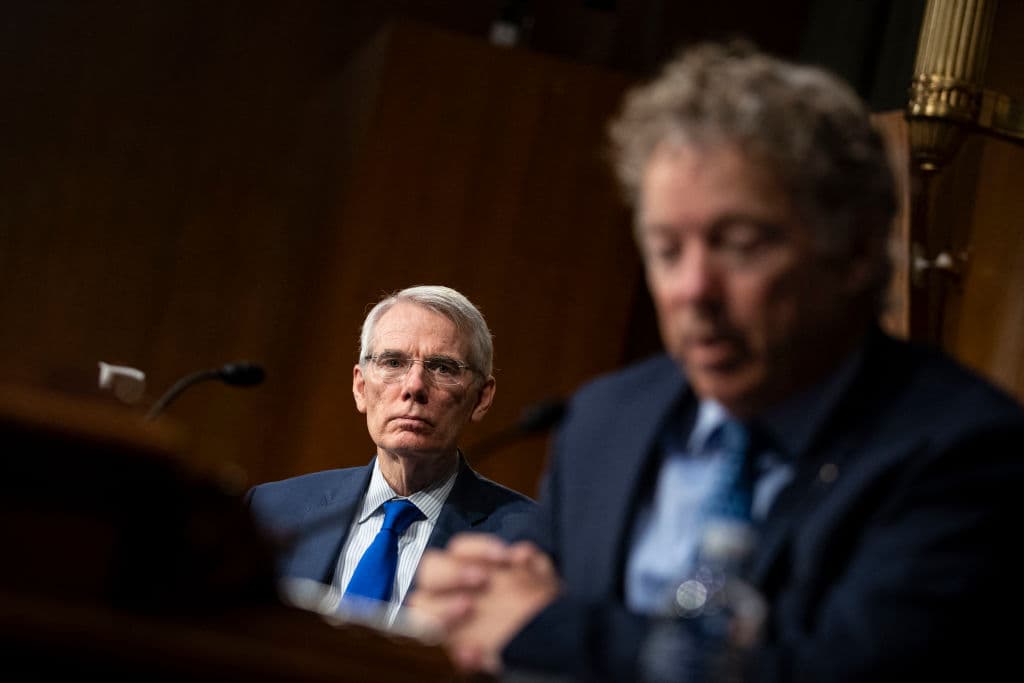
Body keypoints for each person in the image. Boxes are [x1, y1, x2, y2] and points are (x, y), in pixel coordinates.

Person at [408, 42, 1024, 680]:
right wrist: (473, 594)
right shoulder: (606, 419)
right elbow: (516, 600)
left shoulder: (963, 449)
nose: (692, 290)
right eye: (667, 250)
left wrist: (550, 629)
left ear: (857, 253)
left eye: (740, 245)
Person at [247, 285, 535, 626]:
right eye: (393, 362)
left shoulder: (525, 541)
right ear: (360, 387)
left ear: (481, 398)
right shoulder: (269, 510)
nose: (414, 386)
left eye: (443, 368)